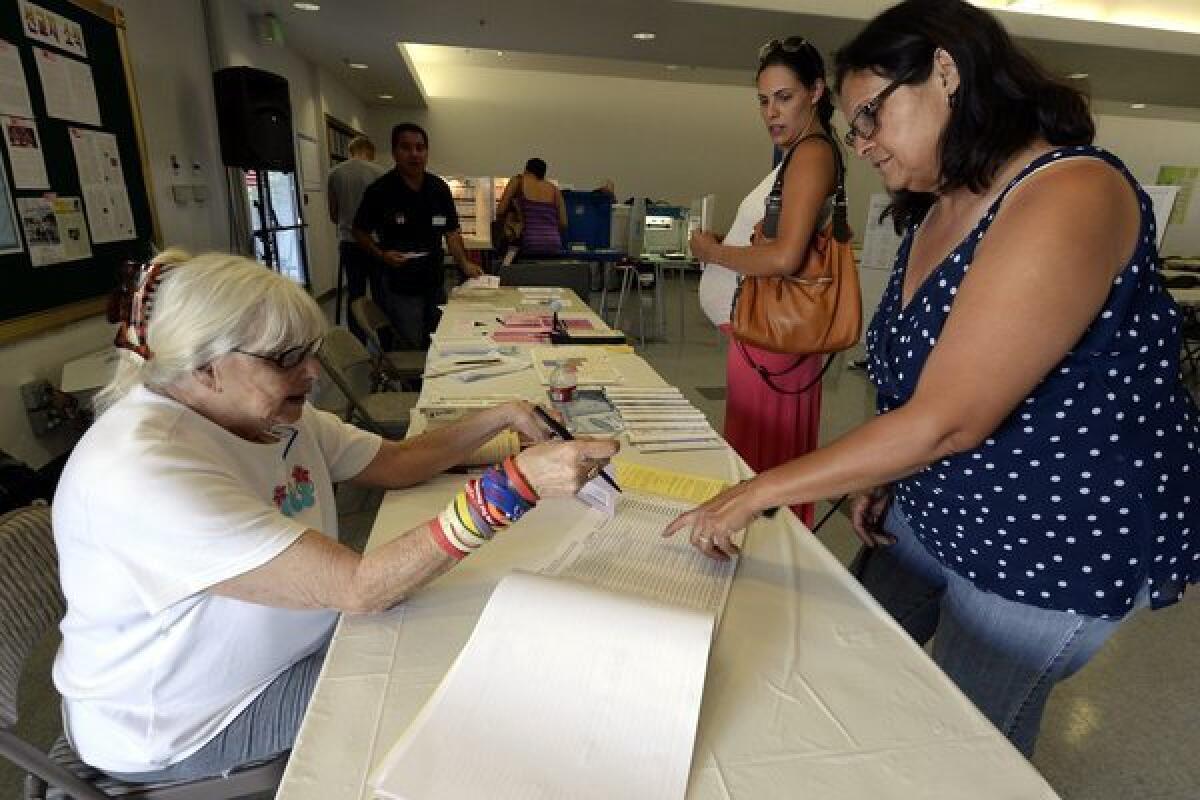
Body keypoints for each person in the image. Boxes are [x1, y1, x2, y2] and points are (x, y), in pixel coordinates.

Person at [667, 0, 1199, 758]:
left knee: (961, 744)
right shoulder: (934, 209)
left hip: (1051, 537)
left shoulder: (1069, 191)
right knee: (843, 660)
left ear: (945, 70)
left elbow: (950, 418)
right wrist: (881, 472)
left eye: (870, 117)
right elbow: (919, 393)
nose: (862, 144)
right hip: (934, 497)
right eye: (853, 128)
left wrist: (755, 491)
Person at [53, 250, 617, 781]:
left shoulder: (266, 412)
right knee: (463, 691)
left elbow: (396, 462)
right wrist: (512, 487)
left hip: (292, 646)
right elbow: (359, 588)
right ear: (204, 367)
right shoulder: (143, 470)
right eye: (286, 359)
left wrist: (503, 415)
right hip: (188, 718)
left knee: (466, 632)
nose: (312, 374)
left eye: (309, 352)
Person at [690, 37, 841, 527]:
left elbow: (783, 256)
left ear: (815, 91)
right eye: (763, 100)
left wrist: (713, 252)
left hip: (773, 343)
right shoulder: (797, 154)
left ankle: (763, 570)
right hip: (761, 340)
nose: (771, 112)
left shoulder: (811, 154)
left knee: (764, 474)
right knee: (759, 469)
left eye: (784, 97)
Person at [353, 123, 483, 349]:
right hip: (399, 283)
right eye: (406, 148)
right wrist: (382, 254)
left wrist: (464, 263)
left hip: (434, 280)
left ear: (427, 152)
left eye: (420, 148)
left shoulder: (439, 188)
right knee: (410, 343)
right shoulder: (380, 191)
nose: (414, 154)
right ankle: (413, 383)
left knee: (439, 340)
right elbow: (359, 231)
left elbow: (451, 231)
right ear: (394, 152)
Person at [327, 135, 386, 343]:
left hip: (349, 242)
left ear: (350, 151)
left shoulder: (335, 173)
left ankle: (358, 339)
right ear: (370, 152)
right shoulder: (381, 173)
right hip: (375, 242)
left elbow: (333, 214)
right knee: (380, 292)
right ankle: (384, 339)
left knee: (355, 293)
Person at [496, 157, 567, 256]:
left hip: (528, 243)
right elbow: (563, 223)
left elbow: (500, 211)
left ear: (526, 169)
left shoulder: (518, 181)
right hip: (553, 244)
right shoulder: (555, 190)